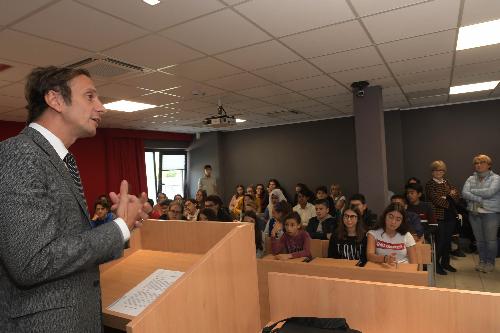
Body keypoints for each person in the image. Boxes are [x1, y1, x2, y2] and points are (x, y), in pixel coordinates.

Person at [0, 66, 147, 332]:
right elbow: (34, 261)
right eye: (90, 96)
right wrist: (119, 228)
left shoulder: (60, 159)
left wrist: (116, 224)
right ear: (55, 99)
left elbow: (66, 242)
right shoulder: (19, 154)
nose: (101, 107)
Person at [462, 154, 500, 273]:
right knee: (479, 241)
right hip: (474, 213)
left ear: (489, 165)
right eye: (476, 163)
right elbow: (464, 193)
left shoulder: (496, 178)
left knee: (491, 240)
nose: (478, 165)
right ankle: (482, 261)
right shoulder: (470, 178)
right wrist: (480, 198)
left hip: (490, 213)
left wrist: (472, 192)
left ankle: (490, 262)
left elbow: (490, 192)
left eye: (482, 163)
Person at [425, 160, 460, 275]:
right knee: (440, 242)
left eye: (441, 170)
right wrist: (448, 198)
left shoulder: (447, 182)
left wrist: (448, 196)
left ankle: (446, 263)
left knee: (448, 241)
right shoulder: (430, 184)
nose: (438, 172)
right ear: (432, 172)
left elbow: (456, 194)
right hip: (438, 217)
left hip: (450, 216)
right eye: (436, 170)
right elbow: (435, 200)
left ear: (444, 171)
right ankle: (436, 265)